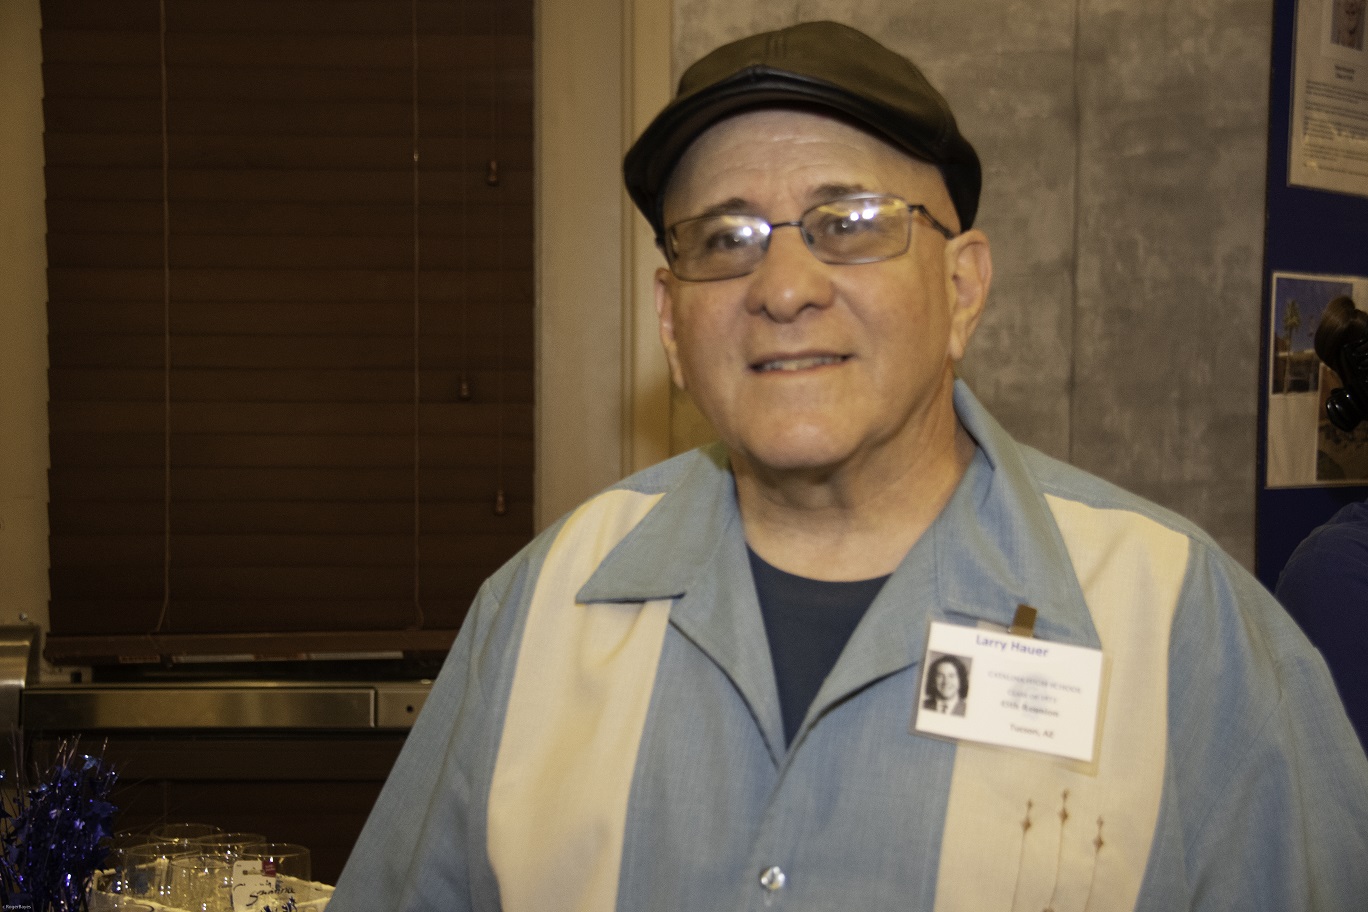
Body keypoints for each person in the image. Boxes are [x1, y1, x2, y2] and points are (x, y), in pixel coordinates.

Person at [329, 21, 1368, 911]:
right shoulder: (535, 619)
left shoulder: (1191, 636)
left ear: (963, 288)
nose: (784, 286)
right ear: (672, 323)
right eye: (725, 237)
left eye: (853, 223)